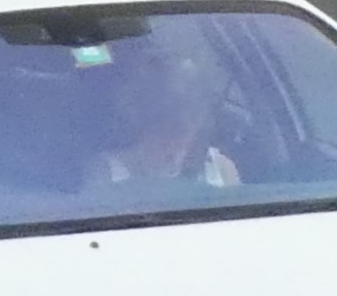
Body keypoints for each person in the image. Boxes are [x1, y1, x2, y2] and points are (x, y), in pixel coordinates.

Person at [83, 34, 242, 188]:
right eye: (170, 124)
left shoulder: (220, 169)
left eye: (193, 117)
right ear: (142, 119)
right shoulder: (107, 172)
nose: (182, 137)